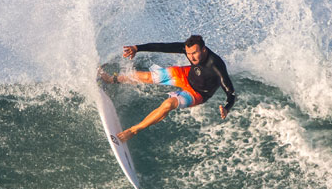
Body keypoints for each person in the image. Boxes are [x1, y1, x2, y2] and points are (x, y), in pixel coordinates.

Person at [99, 34, 236, 142]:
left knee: (168, 104)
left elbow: (231, 92)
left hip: (198, 93)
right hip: (187, 75)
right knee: (145, 77)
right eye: (188, 53)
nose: (191, 57)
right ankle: (111, 80)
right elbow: (164, 47)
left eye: (194, 53)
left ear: (204, 50)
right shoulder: (189, 50)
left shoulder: (216, 65)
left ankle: (134, 130)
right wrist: (137, 48)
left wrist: (227, 107)